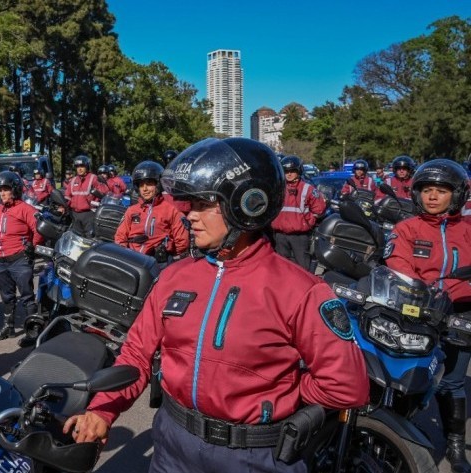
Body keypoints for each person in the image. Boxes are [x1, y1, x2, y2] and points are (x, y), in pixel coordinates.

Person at [63, 137, 369, 473]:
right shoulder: (174, 277)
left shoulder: (301, 291)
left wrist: (284, 392)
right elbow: (136, 353)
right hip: (172, 448)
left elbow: (346, 386)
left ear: (249, 204)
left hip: (254, 457)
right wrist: (103, 410)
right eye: (189, 204)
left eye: (203, 204)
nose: (189, 216)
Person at [384, 159, 471, 473]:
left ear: (456, 195)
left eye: (441, 191)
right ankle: (395, 441)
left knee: (452, 383)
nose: (433, 196)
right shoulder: (406, 229)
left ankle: (455, 445)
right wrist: (422, 293)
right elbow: (397, 265)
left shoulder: (469, 229)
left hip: (460, 314)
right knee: (406, 379)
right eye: (427, 190)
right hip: (416, 312)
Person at [0, 171, 43, 342]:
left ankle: (33, 330)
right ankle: (8, 327)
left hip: (20, 259)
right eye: (0, 190)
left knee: (27, 295)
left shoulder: (26, 209)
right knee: (7, 297)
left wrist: (32, 246)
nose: (2, 193)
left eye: (6, 189)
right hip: (1, 262)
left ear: (15, 190)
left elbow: (39, 229)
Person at [114, 160, 189, 264]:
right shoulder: (131, 210)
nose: (144, 189)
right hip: (132, 260)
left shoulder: (171, 210)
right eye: (141, 185)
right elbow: (120, 236)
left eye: (149, 184)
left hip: (158, 262)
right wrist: (124, 253)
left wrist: (170, 255)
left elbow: (182, 242)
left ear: (158, 185)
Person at [270, 155, 327, 271]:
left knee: (302, 268)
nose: (289, 174)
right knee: (282, 267)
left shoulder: (308, 189)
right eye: (286, 171)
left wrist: (309, 221)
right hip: (280, 235)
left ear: (299, 171)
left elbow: (319, 209)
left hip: (299, 236)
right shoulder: (278, 187)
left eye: (292, 171)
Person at [64, 155, 108, 236]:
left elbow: (104, 192)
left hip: (89, 214)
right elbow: (67, 196)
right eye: (77, 166)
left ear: (87, 167)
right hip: (75, 215)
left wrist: (102, 185)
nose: (79, 169)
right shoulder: (73, 180)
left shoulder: (93, 178)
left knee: (89, 237)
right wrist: (63, 206)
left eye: (82, 166)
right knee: (76, 237)